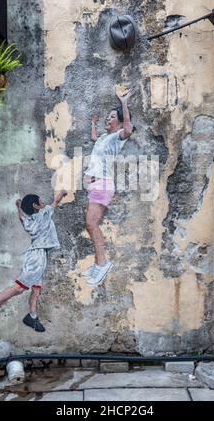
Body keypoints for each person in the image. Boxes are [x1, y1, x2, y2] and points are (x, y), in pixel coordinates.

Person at [0, 189, 67, 343]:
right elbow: (55, 202)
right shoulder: (44, 214)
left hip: (39, 254)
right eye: (41, 201)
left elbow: (22, 218)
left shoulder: (30, 220)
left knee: (36, 288)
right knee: (19, 287)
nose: (44, 203)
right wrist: (62, 193)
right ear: (36, 206)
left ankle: (32, 316)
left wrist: (18, 207)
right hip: (37, 256)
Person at [82, 89, 135, 287]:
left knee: (91, 224)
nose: (108, 118)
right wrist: (94, 124)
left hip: (103, 184)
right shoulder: (105, 138)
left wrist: (124, 104)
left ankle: (102, 264)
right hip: (96, 185)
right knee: (90, 225)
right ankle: (98, 264)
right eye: (108, 116)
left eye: (112, 117)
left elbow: (128, 130)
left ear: (119, 122)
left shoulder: (116, 138)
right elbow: (95, 140)